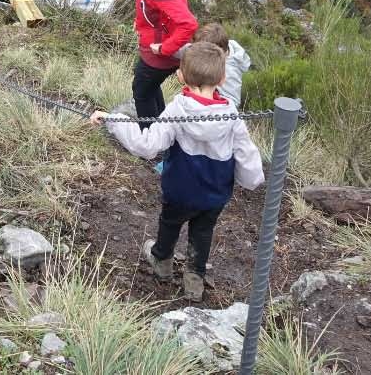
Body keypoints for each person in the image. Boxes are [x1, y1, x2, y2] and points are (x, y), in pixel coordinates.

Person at [90, 42, 264, 301]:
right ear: (222, 78)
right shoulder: (231, 115)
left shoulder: (178, 109)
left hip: (180, 189)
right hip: (215, 193)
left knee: (170, 223)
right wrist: (252, 180)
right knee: (203, 232)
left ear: (180, 75)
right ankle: (194, 279)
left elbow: (147, 145)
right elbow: (247, 155)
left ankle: (161, 260)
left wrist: (114, 120)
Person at [114, 0, 198, 133]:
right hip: (162, 39)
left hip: (162, 49)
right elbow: (159, 8)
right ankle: (161, 129)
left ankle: (151, 140)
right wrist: (142, 21)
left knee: (141, 90)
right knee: (149, 85)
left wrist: (163, 48)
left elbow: (189, 23)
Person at [185, 22, 252, 106]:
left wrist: (206, 100)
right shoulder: (223, 45)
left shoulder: (228, 72)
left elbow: (233, 102)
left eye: (200, 52)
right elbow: (189, 50)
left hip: (214, 112)